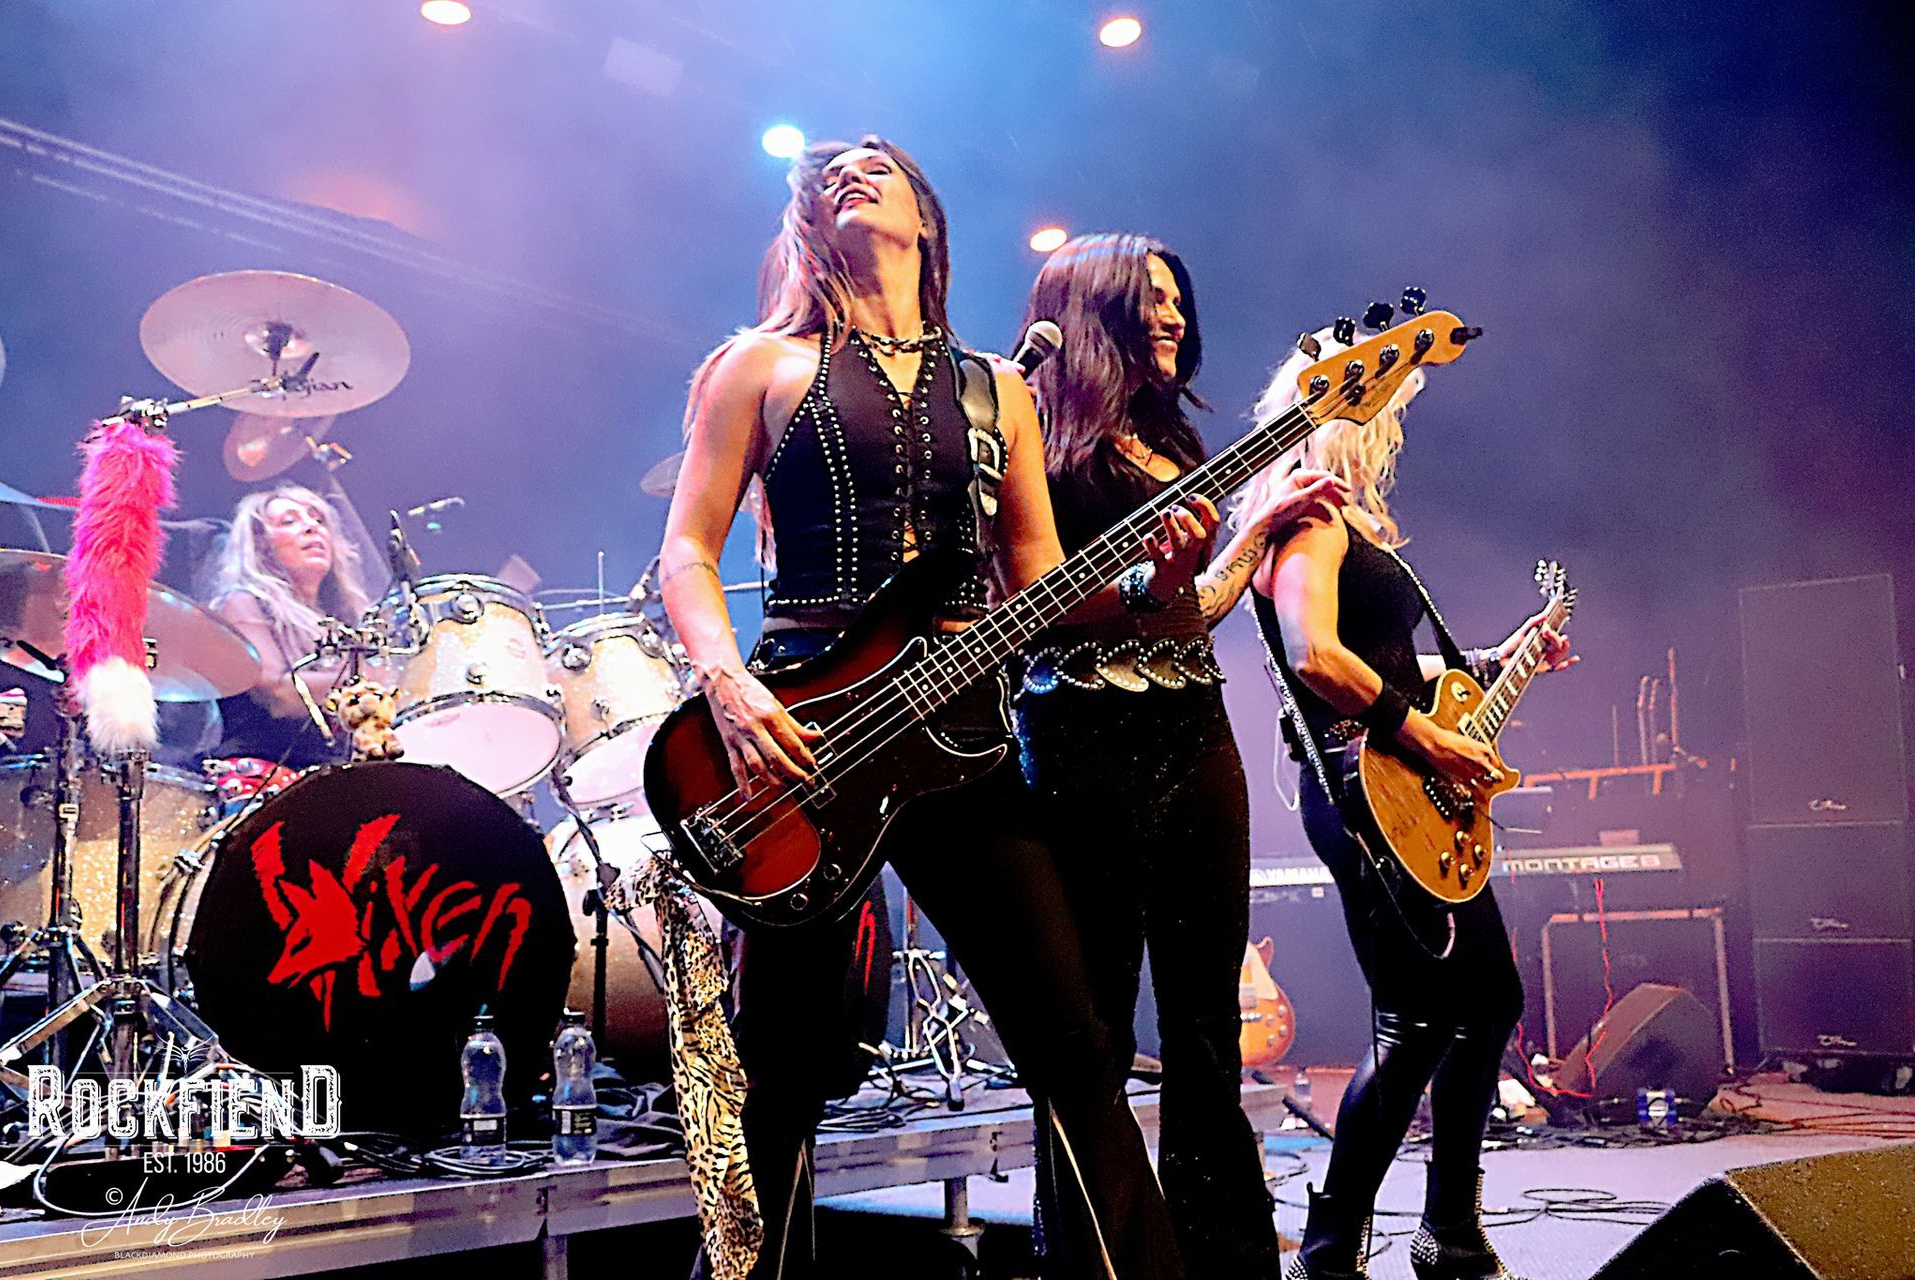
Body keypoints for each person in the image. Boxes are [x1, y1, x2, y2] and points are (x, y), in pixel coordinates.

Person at [658, 136, 1210, 1279]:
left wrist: (1152, 584)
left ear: (926, 213)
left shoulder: (998, 388)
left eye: (879, 161)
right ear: (810, 221)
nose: (852, 171)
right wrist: (727, 681)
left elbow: (1042, 585)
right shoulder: (756, 366)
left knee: (1075, 1047)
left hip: (961, 745)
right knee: (783, 1072)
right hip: (802, 738)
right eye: (832, 172)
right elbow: (687, 553)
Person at [1015, 232, 1349, 1277]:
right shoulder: (1034, 436)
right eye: (1150, 297)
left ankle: (1228, 1255)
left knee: (1208, 1021)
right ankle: (1098, 1255)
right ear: (1095, 308)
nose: (1172, 315)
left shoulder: (1177, 443)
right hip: (1083, 740)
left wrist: (1255, 533)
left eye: (1177, 299)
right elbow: (1028, 606)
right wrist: (1147, 585)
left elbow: (1189, 609)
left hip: (1195, 733)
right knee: (1099, 1031)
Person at [1242, 328, 1574, 1280]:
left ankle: (1450, 1231)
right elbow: (1315, 656)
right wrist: (1423, 736)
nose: (1393, 429)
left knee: (1487, 1000)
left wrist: (1499, 661)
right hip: (1367, 790)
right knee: (1417, 1019)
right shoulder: (1310, 516)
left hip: (1401, 788)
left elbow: (1385, 664)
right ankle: (1331, 1247)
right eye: (1385, 412)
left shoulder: (1348, 522)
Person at [206, 482, 374, 781]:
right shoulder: (243, 602)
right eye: (289, 521)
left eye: (318, 519)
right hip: (265, 779)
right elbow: (279, 696)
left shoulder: (346, 620)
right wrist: (370, 680)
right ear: (261, 543)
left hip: (335, 775)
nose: (311, 527)